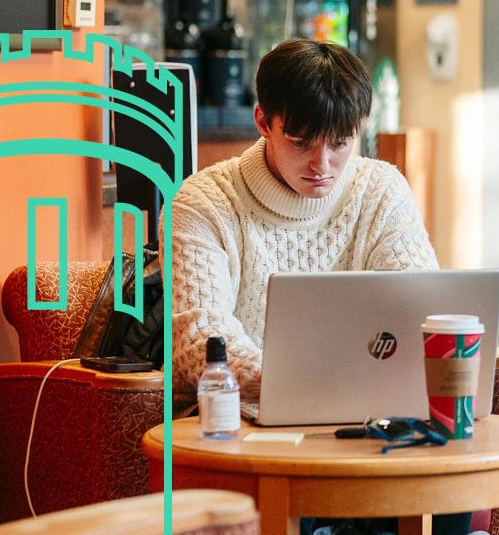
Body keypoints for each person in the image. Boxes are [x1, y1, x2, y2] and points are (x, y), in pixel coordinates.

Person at [159, 39, 481, 535]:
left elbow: (419, 308)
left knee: (451, 493)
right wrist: (306, 384)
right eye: (302, 141)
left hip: (372, 423)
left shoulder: (381, 189)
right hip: (247, 425)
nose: (323, 164)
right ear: (264, 122)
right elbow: (198, 340)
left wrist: (339, 385)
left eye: (340, 143)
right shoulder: (203, 203)